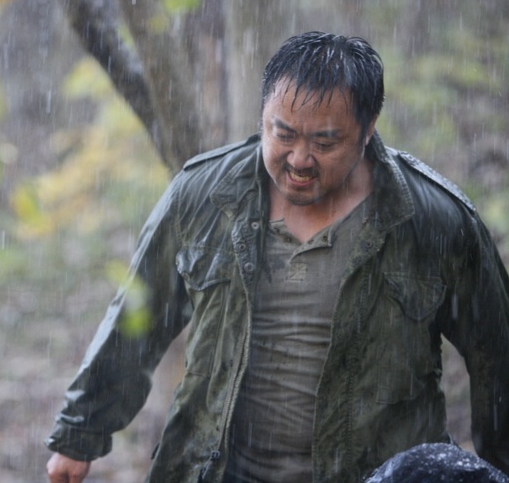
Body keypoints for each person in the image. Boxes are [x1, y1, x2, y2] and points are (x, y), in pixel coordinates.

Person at [44, 32, 509, 483]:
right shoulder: (203, 196)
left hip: (377, 473)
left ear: (368, 129)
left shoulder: (433, 220)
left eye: (324, 143)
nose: (299, 159)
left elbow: (498, 355)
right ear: (262, 116)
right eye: (283, 134)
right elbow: (136, 319)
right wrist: (78, 435)